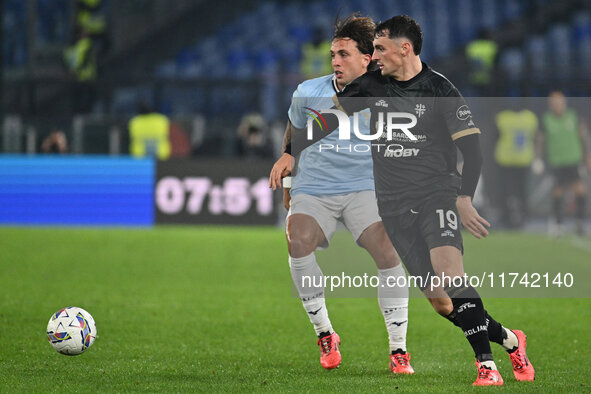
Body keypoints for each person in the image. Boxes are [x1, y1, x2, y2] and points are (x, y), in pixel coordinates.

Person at [294, 15, 535, 386]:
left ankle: (486, 366)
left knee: (452, 278)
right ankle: (510, 339)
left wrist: (464, 198)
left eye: (379, 48)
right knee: (442, 303)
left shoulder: (440, 90)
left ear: (404, 49)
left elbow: (472, 151)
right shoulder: (372, 86)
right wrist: (291, 151)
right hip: (392, 206)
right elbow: (329, 120)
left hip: (436, 195)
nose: (373, 56)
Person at [269, 15, 414, 374]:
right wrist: (289, 181)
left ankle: (399, 350)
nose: (335, 61)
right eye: (333, 54)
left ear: (367, 59)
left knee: (387, 250)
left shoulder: (385, 94)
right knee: (297, 240)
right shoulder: (308, 91)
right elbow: (294, 129)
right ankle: (325, 333)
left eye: (344, 54)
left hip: (364, 187)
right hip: (314, 188)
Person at [536, 90, 591, 236]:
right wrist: (538, 159)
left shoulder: (574, 117)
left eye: (559, 102)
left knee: (580, 190)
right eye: (554, 103)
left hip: (574, 160)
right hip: (557, 162)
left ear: (564, 103)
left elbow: (583, 137)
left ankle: (579, 222)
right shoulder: (546, 119)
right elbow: (540, 141)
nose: (557, 106)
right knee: (558, 192)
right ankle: (558, 223)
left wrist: (587, 157)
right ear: (550, 105)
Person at [494, 107, 539, 228]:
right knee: (507, 192)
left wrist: (538, 158)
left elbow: (537, 138)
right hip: (508, 160)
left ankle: (521, 216)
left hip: (518, 160)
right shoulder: (504, 117)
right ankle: (508, 216)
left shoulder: (528, 118)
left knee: (520, 191)